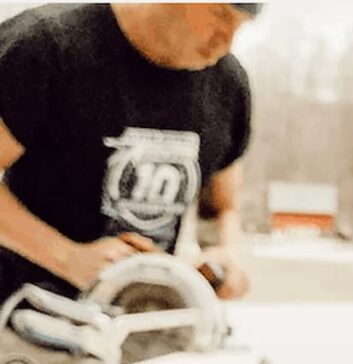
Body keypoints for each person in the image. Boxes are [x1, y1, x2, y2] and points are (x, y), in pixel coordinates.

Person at [0, 3, 260, 306]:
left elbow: (221, 208)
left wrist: (225, 258)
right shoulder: (47, 46)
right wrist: (68, 257)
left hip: (143, 324)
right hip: (22, 318)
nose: (226, 41)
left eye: (240, 25)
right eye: (221, 16)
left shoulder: (228, 85)